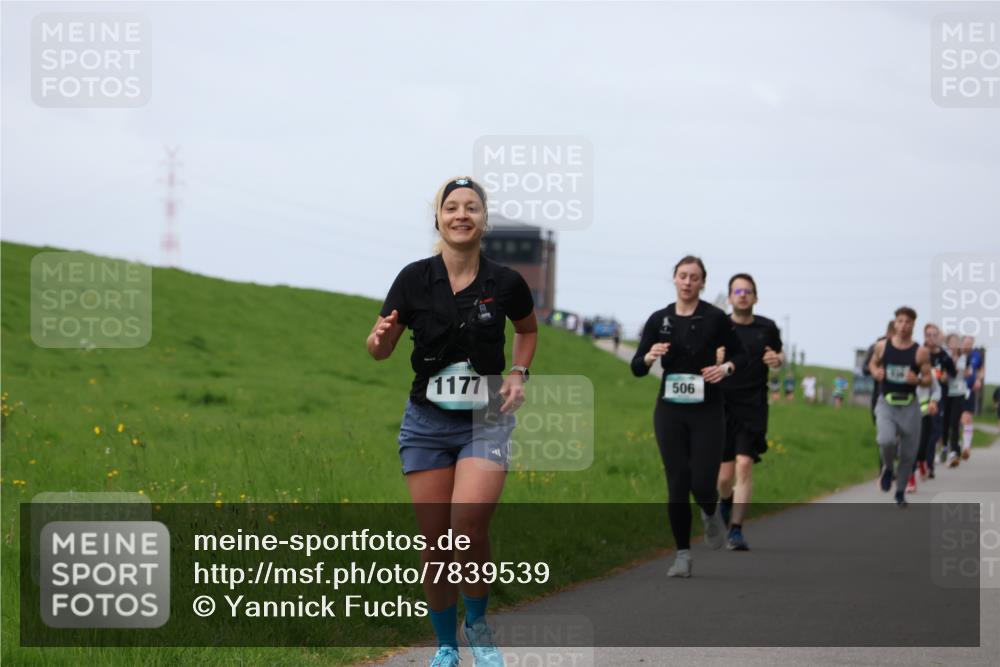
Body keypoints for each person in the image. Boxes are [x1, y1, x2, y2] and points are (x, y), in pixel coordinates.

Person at [368, 176, 538, 667]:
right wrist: (378, 339)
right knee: (436, 543)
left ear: (484, 219)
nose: (461, 214)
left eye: (471, 207)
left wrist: (518, 372)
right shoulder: (413, 278)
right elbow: (380, 348)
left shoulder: (506, 282)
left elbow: (527, 330)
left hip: (486, 419)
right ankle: (446, 645)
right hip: (426, 422)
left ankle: (478, 625)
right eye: (451, 207)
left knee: (467, 526)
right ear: (438, 218)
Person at [631, 256, 747, 577]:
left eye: (694, 277)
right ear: (674, 279)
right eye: (682, 276)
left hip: (707, 410)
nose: (687, 282)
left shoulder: (715, 318)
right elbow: (637, 367)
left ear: (702, 283)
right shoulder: (659, 319)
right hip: (669, 410)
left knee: (702, 484)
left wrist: (725, 368)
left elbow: (741, 354)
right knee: (678, 483)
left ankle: (710, 512)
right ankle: (682, 556)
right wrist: (649, 357)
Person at [715, 273, 783, 551]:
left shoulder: (767, 327)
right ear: (730, 297)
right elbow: (703, 359)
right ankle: (725, 500)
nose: (742, 295)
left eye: (747, 291)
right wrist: (715, 357)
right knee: (723, 478)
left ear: (756, 297)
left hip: (753, 406)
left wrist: (776, 359)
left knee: (744, 464)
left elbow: (779, 355)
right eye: (737, 291)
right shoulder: (719, 327)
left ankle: (736, 530)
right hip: (722, 405)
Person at [868, 306, 932, 508]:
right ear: (895, 324)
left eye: (908, 322)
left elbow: (928, 378)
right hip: (886, 403)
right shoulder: (882, 346)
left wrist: (918, 380)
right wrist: (876, 372)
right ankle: (888, 468)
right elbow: (872, 364)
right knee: (885, 440)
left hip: (909, 406)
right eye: (900, 321)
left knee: (908, 454)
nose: (904, 326)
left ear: (913, 325)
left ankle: (900, 492)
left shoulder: (920, 352)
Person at [921, 323, 954, 479]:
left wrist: (946, 376)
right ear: (924, 336)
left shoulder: (944, 356)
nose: (931, 338)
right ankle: (920, 461)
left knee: (935, 431)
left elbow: (952, 373)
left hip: (938, 397)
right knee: (922, 432)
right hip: (921, 398)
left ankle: (929, 465)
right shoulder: (919, 353)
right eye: (928, 335)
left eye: (934, 335)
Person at [941, 333, 966, 468]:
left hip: (959, 392)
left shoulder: (963, 357)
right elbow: (942, 373)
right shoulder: (944, 357)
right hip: (946, 392)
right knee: (944, 422)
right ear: (947, 344)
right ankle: (944, 446)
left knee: (954, 422)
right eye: (951, 342)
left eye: (956, 342)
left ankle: (954, 450)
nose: (954, 344)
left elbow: (959, 371)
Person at [958, 336, 984, 460]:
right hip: (955, 391)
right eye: (966, 343)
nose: (968, 346)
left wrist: (979, 380)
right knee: (955, 420)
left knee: (967, 417)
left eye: (970, 343)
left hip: (969, 390)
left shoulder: (976, 355)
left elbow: (981, 369)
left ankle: (966, 447)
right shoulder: (957, 354)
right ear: (961, 343)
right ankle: (953, 445)